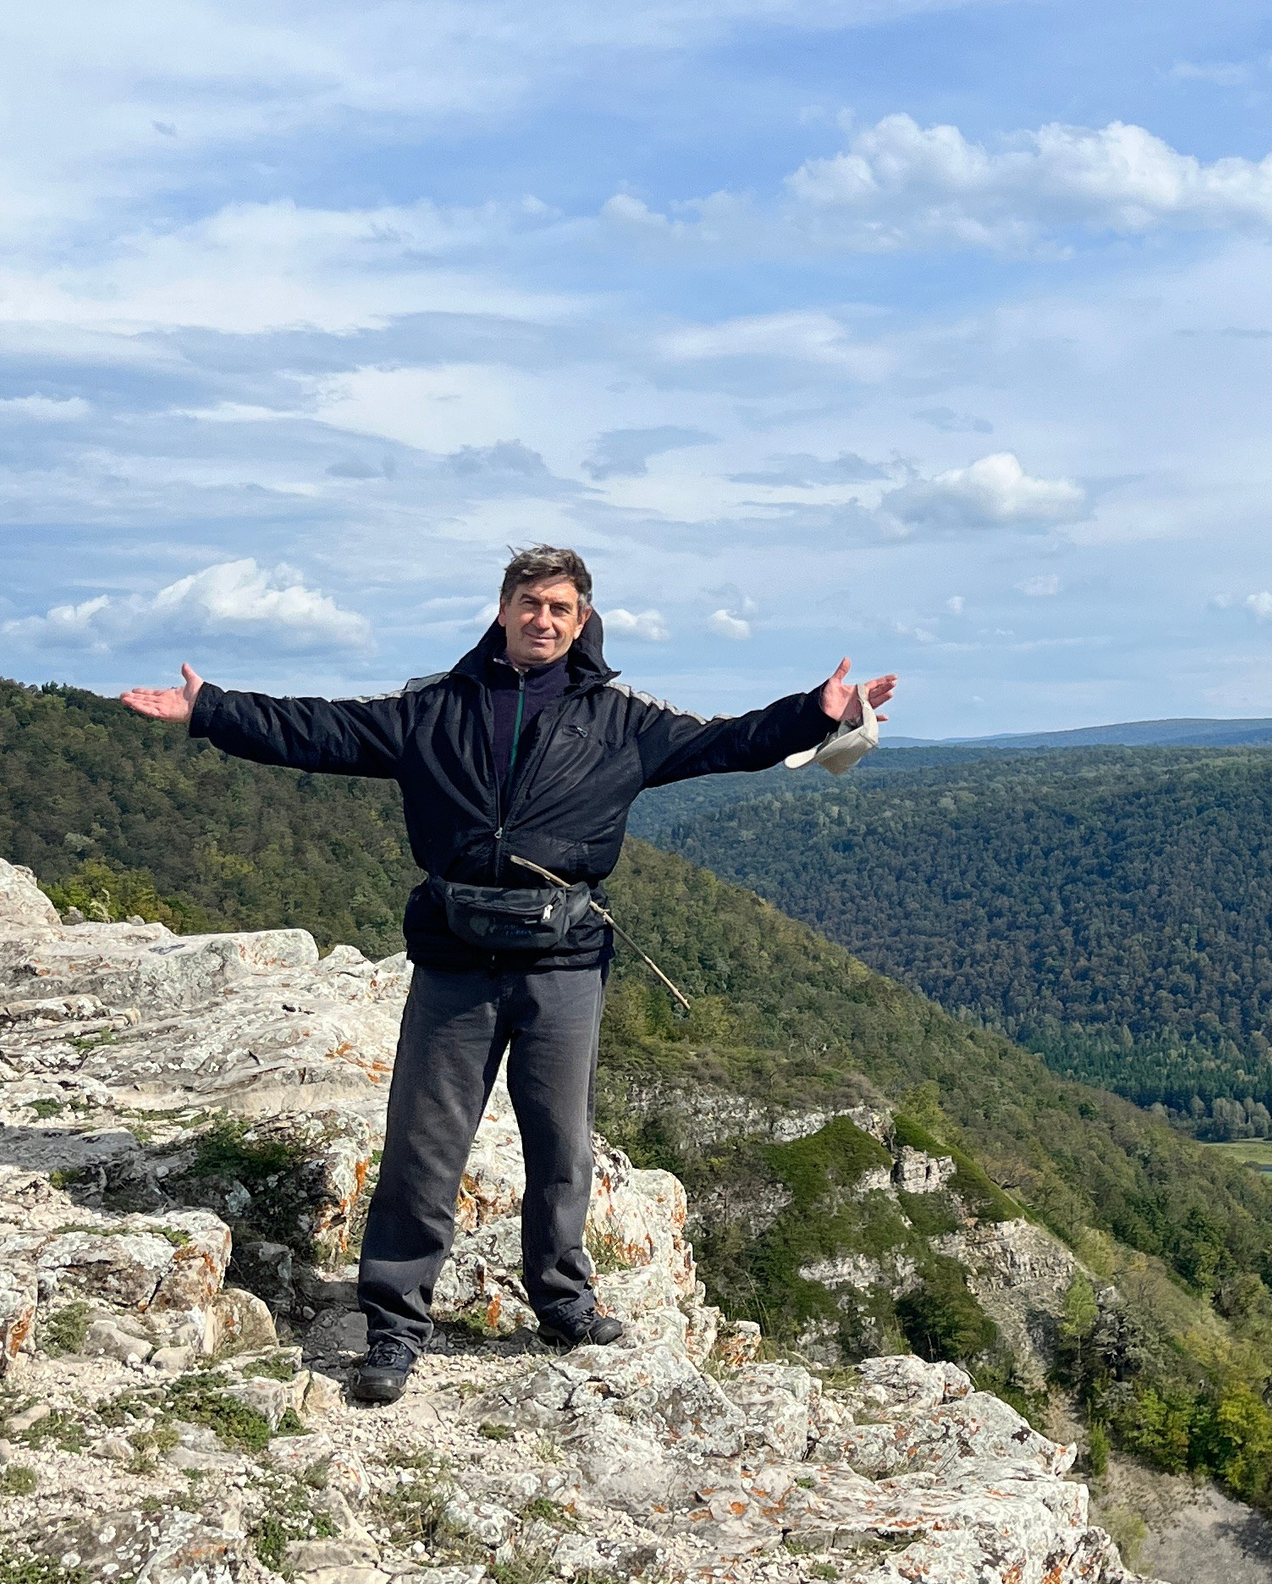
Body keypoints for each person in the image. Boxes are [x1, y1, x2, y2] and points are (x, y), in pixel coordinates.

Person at [121, 545, 895, 1406]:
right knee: (424, 1143)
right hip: (456, 961)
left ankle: (563, 1302)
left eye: (560, 607)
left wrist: (812, 713)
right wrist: (211, 710)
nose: (544, 619)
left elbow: (727, 741)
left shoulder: (621, 717)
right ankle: (394, 1325)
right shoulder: (434, 706)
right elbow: (321, 728)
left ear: (581, 618)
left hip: (563, 963)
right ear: (502, 607)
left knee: (561, 1143)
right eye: (530, 602)